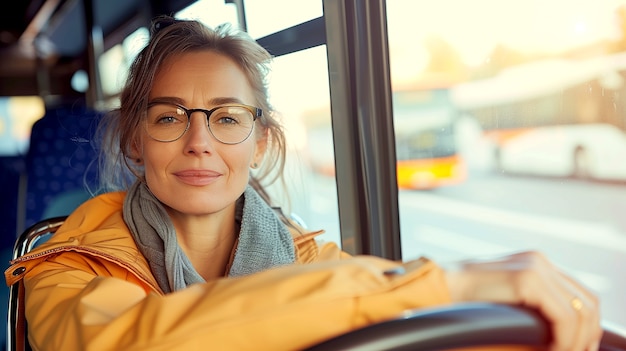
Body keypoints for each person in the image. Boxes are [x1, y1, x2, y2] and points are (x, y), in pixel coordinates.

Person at [5, 15, 601, 351]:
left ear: (260, 142)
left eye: (228, 118)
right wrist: (452, 281)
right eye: (168, 117)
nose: (200, 141)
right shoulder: (66, 262)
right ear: (134, 139)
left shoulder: (310, 256)